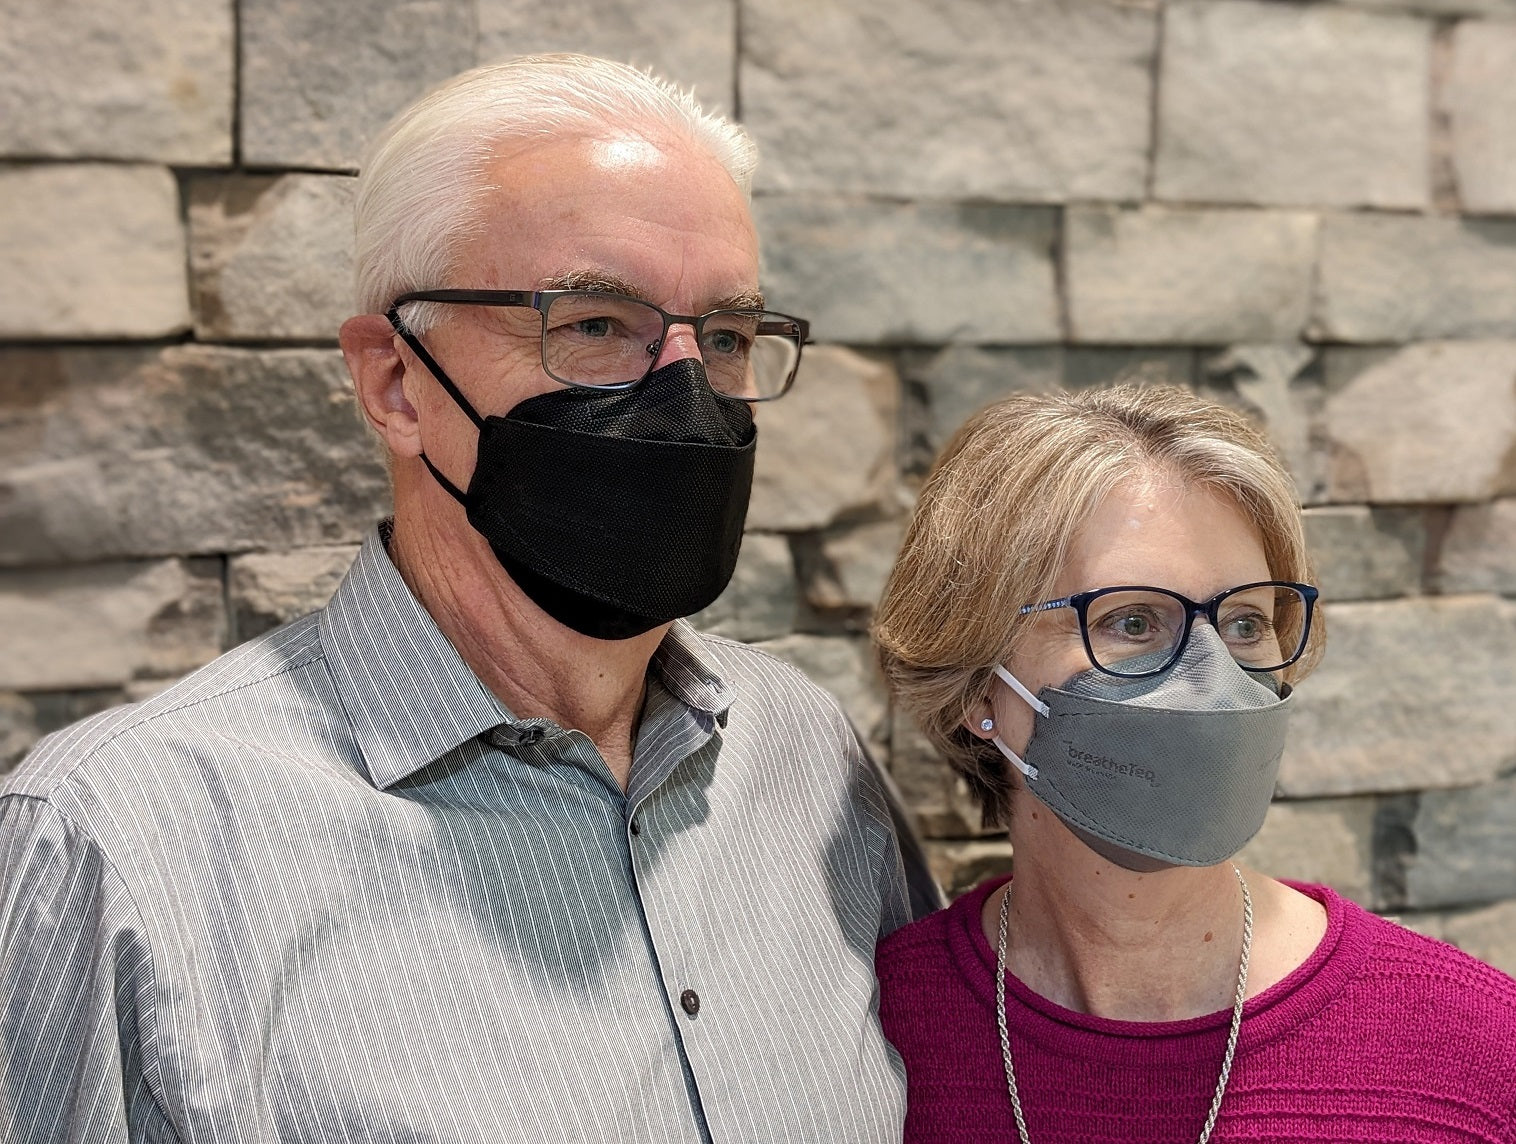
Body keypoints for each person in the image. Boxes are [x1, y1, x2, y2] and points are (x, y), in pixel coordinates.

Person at [0, 55, 932, 1143]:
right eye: (592, 323)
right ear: (396, 383)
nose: (682, 390)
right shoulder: (118, 848)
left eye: (721, 338)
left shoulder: (807, 753)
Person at [872, 384, 1516, 1143]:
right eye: (1133, 621)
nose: (1212, 677)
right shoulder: (872, 1032)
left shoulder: (1471, 1049)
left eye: (1245, 621)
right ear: (979, 686)